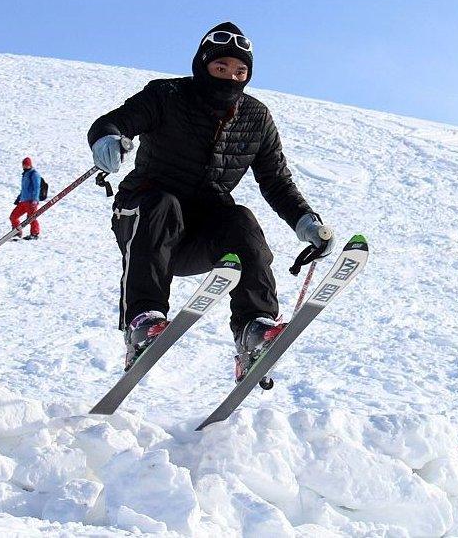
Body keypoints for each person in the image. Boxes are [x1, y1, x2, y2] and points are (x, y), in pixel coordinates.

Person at [87, 22, 334, 381]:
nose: (230, 77)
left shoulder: (256, 117)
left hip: (197, 234)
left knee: (240, 220)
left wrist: (305, 221)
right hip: (143, 219)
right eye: (221, 68)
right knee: (162, 203)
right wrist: (106, 140)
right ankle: (143, 321)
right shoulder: (166, 95)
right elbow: (113, 122)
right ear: (202, 66)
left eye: (240, 71)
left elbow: (276, 180)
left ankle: (255, 331)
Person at [10, 156, 41, 240]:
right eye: (24, 165)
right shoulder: (25, 174)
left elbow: (37, 187)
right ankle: (17, 232)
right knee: (13, 216)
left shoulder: (34, 174)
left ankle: (34, 234)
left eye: (26, 165)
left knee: (31, 218)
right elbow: (24, 189)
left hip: (31, 201)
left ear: (30, 165)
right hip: (23, 200)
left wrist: (35, 199)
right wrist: (19, 198)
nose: (25, 166)